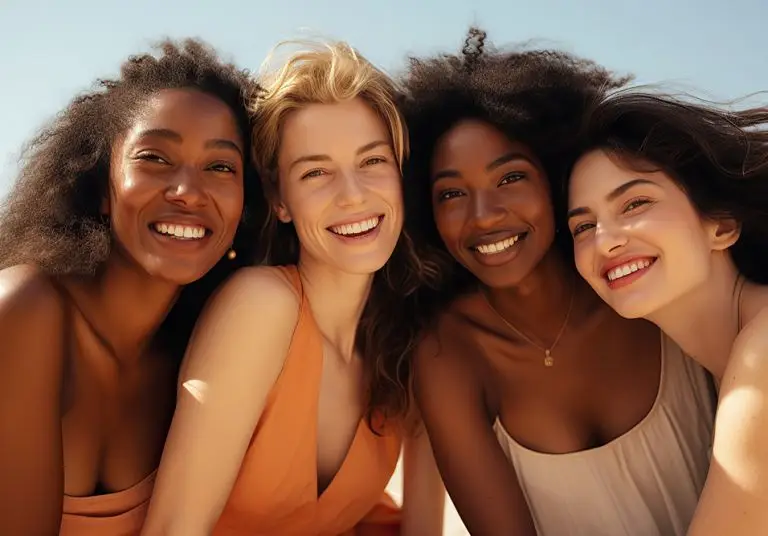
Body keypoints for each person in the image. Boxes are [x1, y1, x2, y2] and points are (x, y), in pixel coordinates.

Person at [400, 28, 716, 536]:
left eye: (510, 178)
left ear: (556, 177)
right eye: (451, 194)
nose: (483, 216)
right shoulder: (449, 353)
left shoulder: (642, 286)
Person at [141, 39, 445, 536]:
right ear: (281, 199)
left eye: (372, 162)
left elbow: (423, 527)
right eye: (316, 172)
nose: (353, 195)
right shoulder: (263, 306)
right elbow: (174, 529)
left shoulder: (406, 338)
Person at [0, 38, 260, 536]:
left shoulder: (203, 350)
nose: (188, 192)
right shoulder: (25, 311)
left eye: (221, 167)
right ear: (100, 187)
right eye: (155, 159)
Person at [567, 90, 768, 536]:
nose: (605, 241)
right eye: (583, 226)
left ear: (721, 225)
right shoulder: (715, 373)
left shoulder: (762, 357)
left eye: (635, 204)